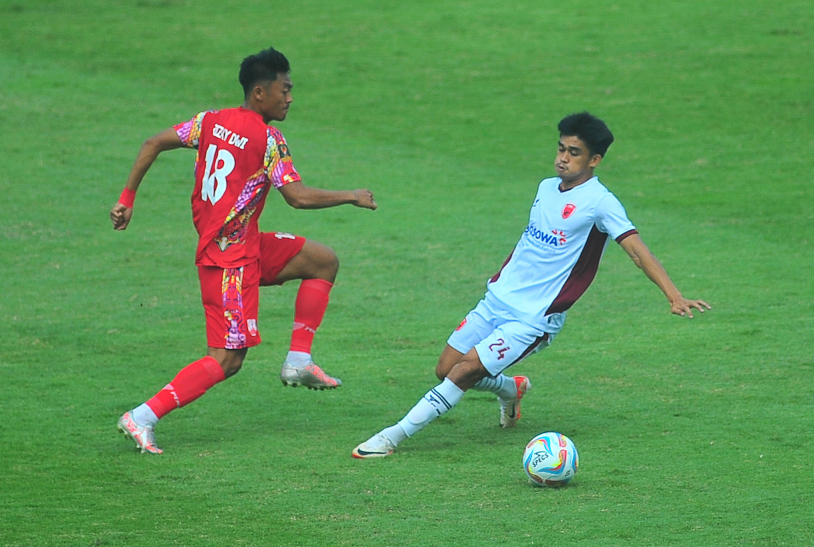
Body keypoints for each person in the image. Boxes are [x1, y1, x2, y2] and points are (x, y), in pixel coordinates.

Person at [352, 112, 710, 458]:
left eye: (574, 153)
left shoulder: (601, 203)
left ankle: (390, 437)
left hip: (534, 316)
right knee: (446, 368)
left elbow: (636, 249)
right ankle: (511, 388)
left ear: (595, 159)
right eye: (560, 149)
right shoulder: (545, 188)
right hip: (497, 298)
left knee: (465, 372)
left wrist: (673, 295)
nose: (562, 159)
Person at [112, 48, 377, 454]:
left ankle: (299, 361)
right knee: (227, 360)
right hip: (228, 261)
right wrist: (351, 195)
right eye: (284, 90)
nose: (290, 98)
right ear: (259, 92)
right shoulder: (268, 139)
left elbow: (153, 142)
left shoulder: (209, 122)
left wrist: (127, 198)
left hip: (246, 244)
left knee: (323, 261)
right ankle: (142, 416)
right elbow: (298, 198)